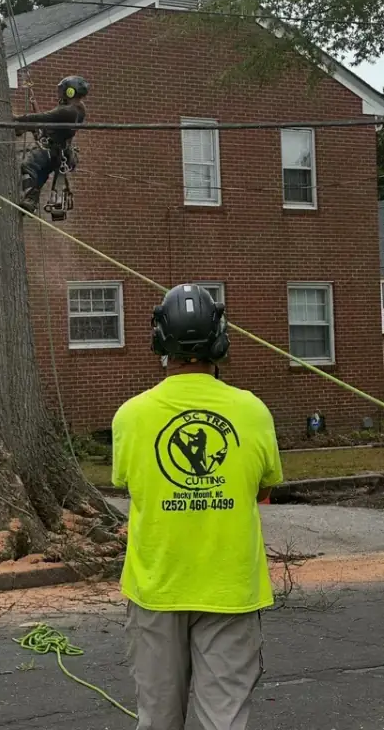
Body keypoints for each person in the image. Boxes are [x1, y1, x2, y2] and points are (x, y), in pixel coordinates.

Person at [112, 284, 283, 730]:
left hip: (155, 590)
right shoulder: (254, 412)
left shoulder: (129, 416)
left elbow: (129, 484)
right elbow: (263, 489)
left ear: (159, 343)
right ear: (220, 340)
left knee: (158, 720)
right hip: (230, 590)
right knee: (222, 721)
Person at [13, 75, 89, 214]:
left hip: (54, 150)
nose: (59, 94)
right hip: (60, 153)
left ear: (70, 92)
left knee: (29, 165)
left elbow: (43, 117)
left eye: (62, 91)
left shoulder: (68, 111)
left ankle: (30, 197)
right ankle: (31, 201)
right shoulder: (78, 109)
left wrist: (16, 118)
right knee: (41, 172)